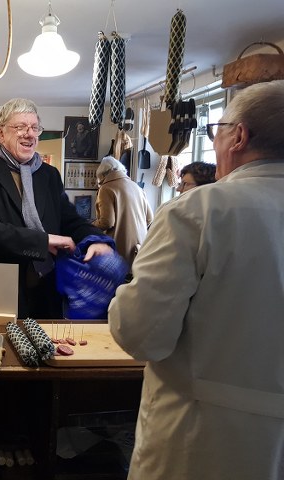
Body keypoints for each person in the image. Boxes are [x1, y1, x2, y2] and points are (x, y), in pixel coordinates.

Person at [108, 80, 284, 480]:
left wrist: (119, 295)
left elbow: (141, 335)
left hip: (200, 438)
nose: (214, 142)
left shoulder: (198, 211)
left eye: (216, 130)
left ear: (238, 136)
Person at [0, 98, 113, 319]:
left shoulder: (48, 174)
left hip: (45, 285)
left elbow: (69, 219)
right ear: (1, 133)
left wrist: (96, 239)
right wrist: (43, 241)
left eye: (34, 127)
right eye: (20, 127)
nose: (29, 134)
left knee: (48, 340)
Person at [92, 156, 153, 268]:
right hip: (140, 249)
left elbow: (107, 222)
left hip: (119, 248)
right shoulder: (137, 187)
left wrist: (90, 225)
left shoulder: (106, 188)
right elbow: (150, 218)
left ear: (102, 174)